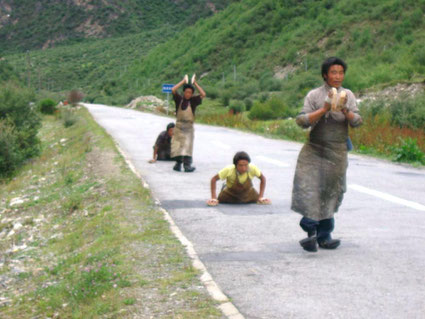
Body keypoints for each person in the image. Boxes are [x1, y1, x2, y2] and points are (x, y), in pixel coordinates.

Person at [291, 57, 362, 252]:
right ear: (325, 75)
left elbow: (357, 121)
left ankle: (324, 236)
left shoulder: (349, 95)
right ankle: (310, 230)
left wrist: (346, 110)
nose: (338, 76)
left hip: (337, 151)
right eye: (333, 72)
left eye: (341, 72)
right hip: (314, 149)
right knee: (308, 187)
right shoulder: (314, 95)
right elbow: (302, 121)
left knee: (331, 191)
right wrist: (324, 108)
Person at [171, 74, 206, 172]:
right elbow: (173, 90)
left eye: (190, 92)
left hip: (189, 126)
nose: (188, 94)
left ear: (192, 94)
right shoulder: (179, 99)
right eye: (186, 92)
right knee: (178, 145)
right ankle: (177, 164)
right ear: (183, 92)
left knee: (188, 145)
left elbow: (203, 94)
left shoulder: (194, 101)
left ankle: (187, 166)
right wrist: (183, 81)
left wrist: (195, 83)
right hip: (178, 125)